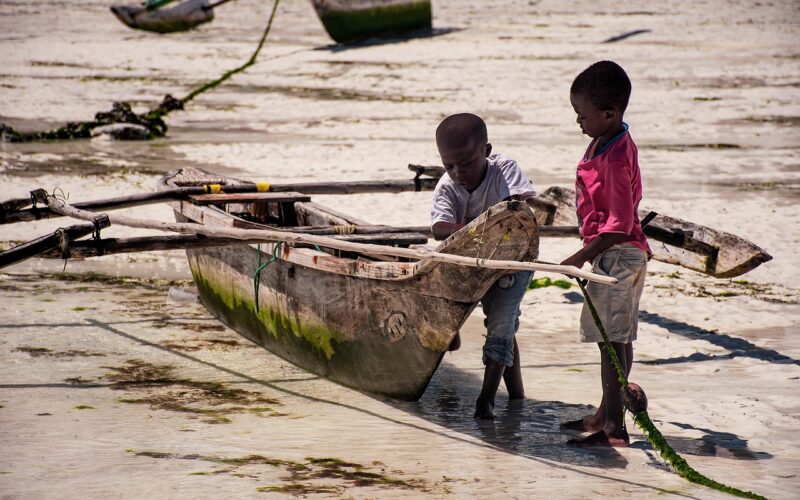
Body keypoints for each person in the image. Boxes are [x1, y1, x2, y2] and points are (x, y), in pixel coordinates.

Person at [559, 61, 651, 446]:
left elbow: (619, 224)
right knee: (615, 336)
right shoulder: (608, 138)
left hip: (618, 255)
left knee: (611, 340)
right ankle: (604, 412)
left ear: (610, 114)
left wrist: (581, 256)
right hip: (620, 254)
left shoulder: (614, 158)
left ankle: (614, 427)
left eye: (583, 115)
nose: (579, 121)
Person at [431, 112, 537, 420]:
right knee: (493, 324)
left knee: (502, 325)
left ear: (486, 152)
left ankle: (485, 402)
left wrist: (484, 232)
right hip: (470, 262)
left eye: (466, 163)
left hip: (512, 261)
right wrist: (482, 229)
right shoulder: (447, 186)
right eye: (449, 165)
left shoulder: (504, 170)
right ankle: (516, 397)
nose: (458, 172)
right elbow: (439, 229)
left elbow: (519, 211)